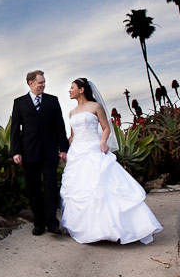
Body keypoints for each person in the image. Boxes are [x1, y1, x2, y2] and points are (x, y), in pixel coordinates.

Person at [59, 77, 163, 244]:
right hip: (77, 152)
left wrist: (102, 142)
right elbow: (72, 135)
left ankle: (115, 228)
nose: (69, 91)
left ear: (81, 89)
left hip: (93, 148)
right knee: (80, 189)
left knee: (102, 187)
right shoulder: (71, 113)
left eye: (72, 88)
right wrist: (64, 150)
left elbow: (106, 127)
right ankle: (89, 229)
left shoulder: (96, 107)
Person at [10, 70, 69, 235]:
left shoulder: (52, 100)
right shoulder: (19, 103)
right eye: (40, 82)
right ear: (30, 83)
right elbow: (15, 129)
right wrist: (16, 151)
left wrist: (63, 148)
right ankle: (39, 223)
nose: (43, 85)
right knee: (33, 188)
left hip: (50, 152)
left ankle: (52, 223)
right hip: (29, 152)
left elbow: (60, 125)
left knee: (51, 186)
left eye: (44, 82)